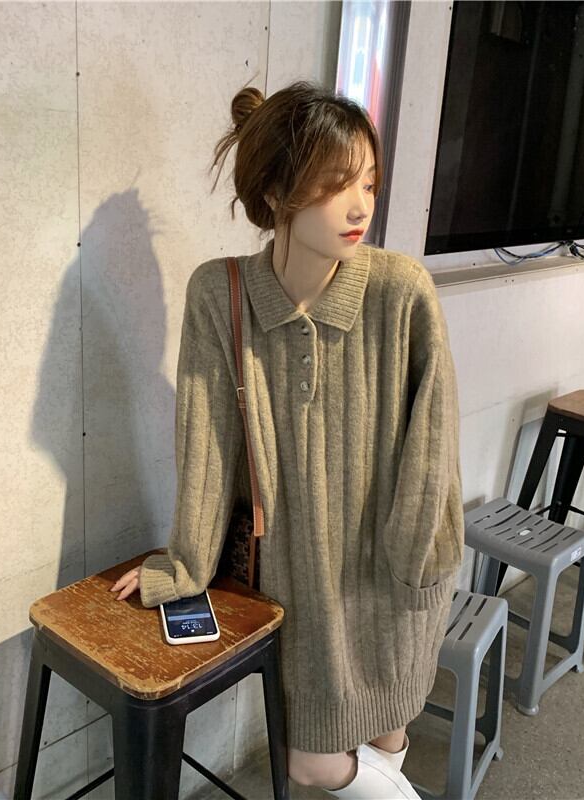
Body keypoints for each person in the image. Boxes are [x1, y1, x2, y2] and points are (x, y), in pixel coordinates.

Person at [110, 79, 464, 799]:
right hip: (300, 590)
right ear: (275, 194)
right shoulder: (221, 295)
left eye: (368, 182)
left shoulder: (400, 291)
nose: (360, 206)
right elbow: (207, 445)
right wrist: (184, 566)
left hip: (393, 575)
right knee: (310, 761)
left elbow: (434, 443)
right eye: (336, 185)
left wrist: (411, 564)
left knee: (388, 734)